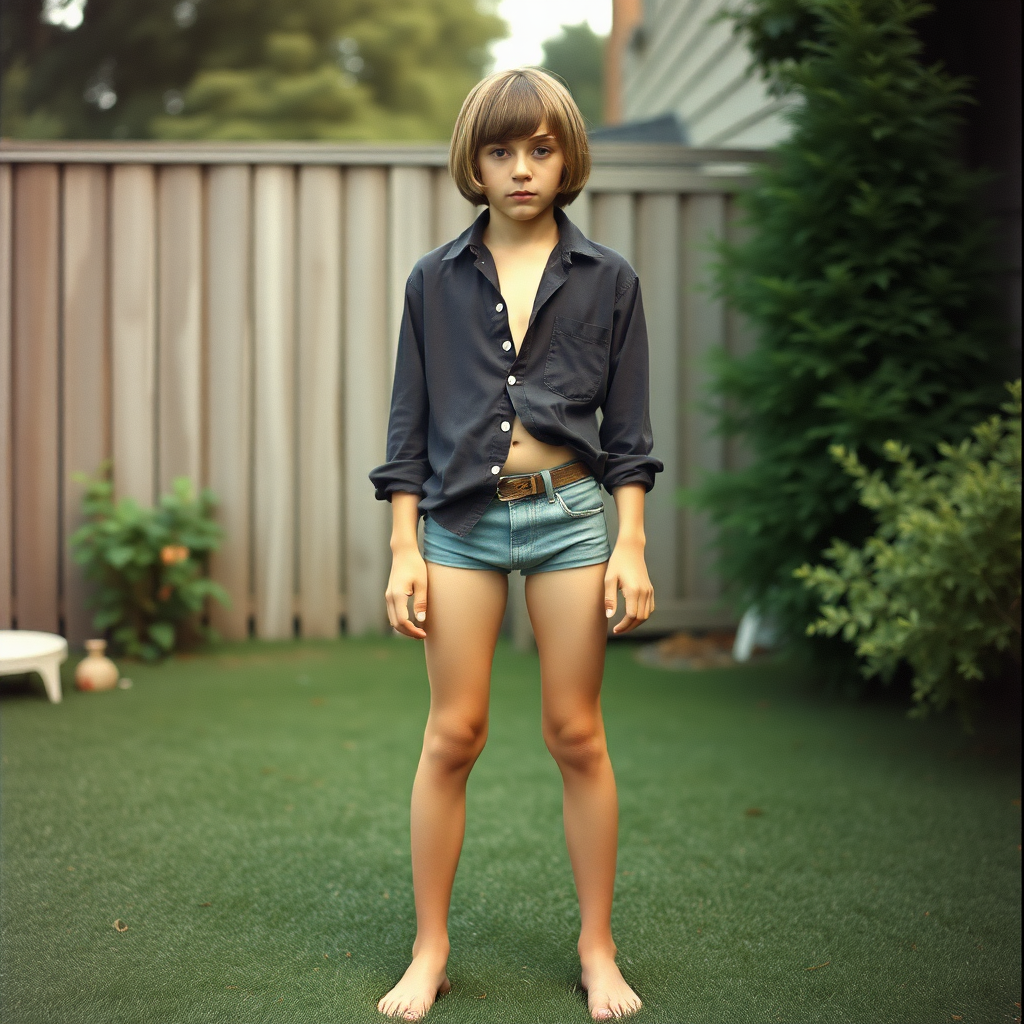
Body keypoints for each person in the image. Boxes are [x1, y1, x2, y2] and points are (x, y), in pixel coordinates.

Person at [369, 67, 662, 1022]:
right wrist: (403, 548)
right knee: (452, 735)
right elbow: (406, 428)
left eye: (540, 148)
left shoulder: (609, 280)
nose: (522, 168)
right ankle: (431, 949)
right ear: (475, 163)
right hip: (457, 522)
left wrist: (632, 544)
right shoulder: (433, 280)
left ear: (567, 156)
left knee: (577, 733)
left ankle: (596, 947)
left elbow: (629, 434)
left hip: (574, 515)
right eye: (502, 150)